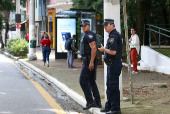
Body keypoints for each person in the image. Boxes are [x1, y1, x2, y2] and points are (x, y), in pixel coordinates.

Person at [98, 19, 122, 114]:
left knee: (113, 86)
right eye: (104, 25)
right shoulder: (111, 36)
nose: (104, 27)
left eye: (106, 25)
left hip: (114, 63)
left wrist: (104, 50)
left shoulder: (114, 37)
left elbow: (113, 52)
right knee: (109, 85)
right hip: (111, 64)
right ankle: (109, 106)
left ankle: (115, 109)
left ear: (112, 25)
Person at [79, 20, 102, 110]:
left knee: (82, 80)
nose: (83, 27)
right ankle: (97, 101)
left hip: (89, 62)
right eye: (82, 26)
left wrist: (91, 62)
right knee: (91, 81)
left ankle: (90, 101)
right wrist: (83, 61)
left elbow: (94, 49)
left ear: (89, 26)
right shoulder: (86, 35)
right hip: (87, 61)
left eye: (85, 25)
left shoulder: (89, 35)